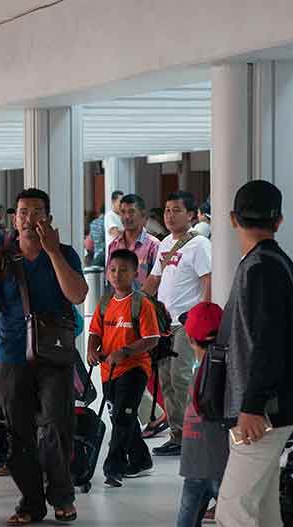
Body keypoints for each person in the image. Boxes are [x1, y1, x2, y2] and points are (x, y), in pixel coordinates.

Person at [208, 180, 293, 527]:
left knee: (232, 509)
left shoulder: (260, 269)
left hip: (259, 412)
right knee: (262, 511)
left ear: (232, 219)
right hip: (274, 406)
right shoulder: (279, 264)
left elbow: (263, 342)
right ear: (279, 220)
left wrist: (250, 405)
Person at [0, 188, 87, 526]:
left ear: (48, 218)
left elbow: (78, 295)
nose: (29, 218)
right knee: (17, 431)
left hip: (54, 354)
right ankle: (31, 501)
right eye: (23, 211)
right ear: (15, 218)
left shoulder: (65, 253)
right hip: (10, 355)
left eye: (37, 211)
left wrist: (53, 252)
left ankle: (62, 495)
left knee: (57, 423)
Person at [138, 302, 227, 527]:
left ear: (190, 339)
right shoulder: (212, 369)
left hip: (211, 467)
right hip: (200, 466)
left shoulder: (216, 371)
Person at [145, 191, 212, 458]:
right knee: (166, 380)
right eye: (167, 211)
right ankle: (177, 435)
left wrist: (203, 318)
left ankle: (192, 434)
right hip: (163, 323)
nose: (169, 215)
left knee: (182, 377)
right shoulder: (164, 244)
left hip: (187, 321)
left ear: (192, 215)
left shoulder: (199, 245)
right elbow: (154, 280)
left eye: (176, 210)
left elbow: (209, 280)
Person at [87, 248, 159, 487]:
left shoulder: (141, 303)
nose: (117, 274)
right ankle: (140, 460)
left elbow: (152, 339)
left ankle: (113, 468)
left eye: (124, 270)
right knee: (123, 418)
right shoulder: (105, 302)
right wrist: (91, 350)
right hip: (108, 371)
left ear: (135, 273)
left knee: (120, 418)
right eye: (113, 269)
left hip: (135, 369)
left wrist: (125, 351)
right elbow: (95, 331)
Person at [106, 193, 160, 289]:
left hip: (144, 302)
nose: (126, 216)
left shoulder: (153, 245)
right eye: (123, 212)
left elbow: (158, 281)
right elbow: (110, 279)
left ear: (142, 215)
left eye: (131, 212)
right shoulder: (114, 245)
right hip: (120, 303)